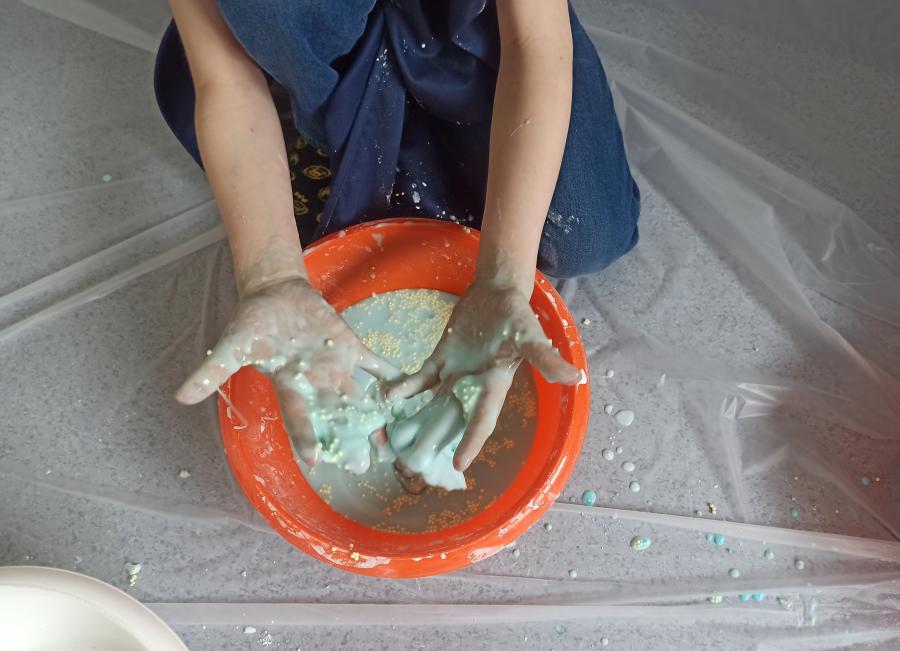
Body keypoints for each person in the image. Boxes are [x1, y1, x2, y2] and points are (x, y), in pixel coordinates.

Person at [157, 0, 640, 474]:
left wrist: (504, 276)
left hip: (480, 34)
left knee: (583, 238)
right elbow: (226, 82)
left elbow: (534, 41)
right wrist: (271, 275)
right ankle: (318, 91)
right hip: (312, 47)